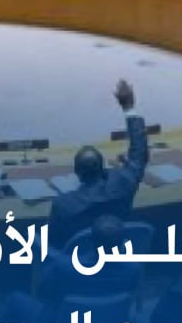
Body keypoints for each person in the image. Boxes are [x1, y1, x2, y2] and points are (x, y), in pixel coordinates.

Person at [47, 80, 149, 247]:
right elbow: (139, 153)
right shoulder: (124, 184)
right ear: (103, 169)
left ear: (78, 174)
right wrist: (129, 107)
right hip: (119, 254)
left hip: (77, 260)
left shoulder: (63, 205)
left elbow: (53, 242)